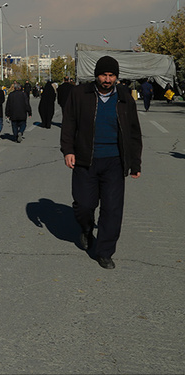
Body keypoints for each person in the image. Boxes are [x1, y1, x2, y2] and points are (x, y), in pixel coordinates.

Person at [60, 56, 142, 269]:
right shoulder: (80, 94)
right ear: (96, 75)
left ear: (116, 76)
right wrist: (68, 150)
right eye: (104, 75)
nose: (107, 79)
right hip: (85, 160)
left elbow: (134, 132)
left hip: (114, 161)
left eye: (111, 75)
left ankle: (104, 251)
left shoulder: (125, 97)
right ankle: (86, 228)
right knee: (84, 204)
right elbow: (68, 123)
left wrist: (135, 163)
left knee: (112, 208)